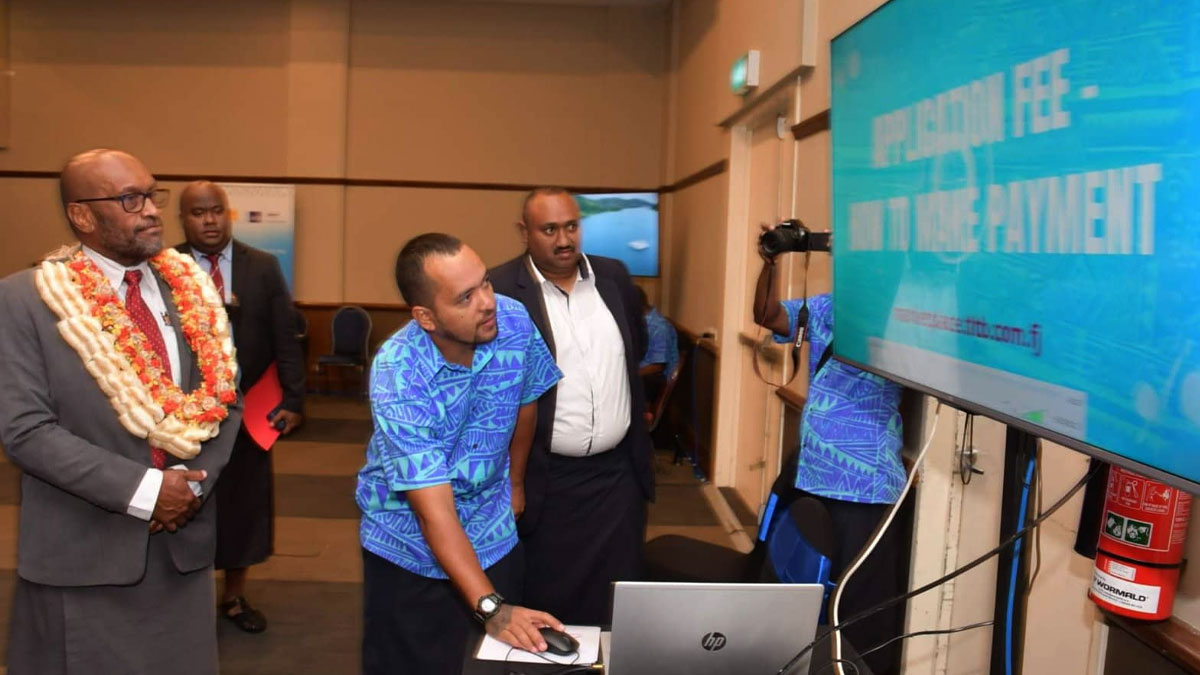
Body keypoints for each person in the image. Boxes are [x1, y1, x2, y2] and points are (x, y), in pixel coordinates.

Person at [0, 149, 242, 674]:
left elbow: (224, 396)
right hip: (85, 554)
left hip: (181, 552)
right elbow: (26, 431)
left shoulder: (191, 290)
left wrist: (190, 488)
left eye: (152, 194)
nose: (151, 210)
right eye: (130, 199)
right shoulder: (23, 300)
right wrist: (148, 492)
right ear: (82, 215)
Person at [357, 233, 566, 674]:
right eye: (465, 297)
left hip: (494, 531)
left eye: (485, 282)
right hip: (409, 548)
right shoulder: (398, 373)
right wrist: (492, 609)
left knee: (497, 663)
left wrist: (515, 483)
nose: (487, 302)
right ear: (426, 317)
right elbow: (433, 512)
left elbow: (526, 398)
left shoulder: (514, 320)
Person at [490, 187, 655, 626]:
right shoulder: (502, 289)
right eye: (549, 230)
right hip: (545, 479)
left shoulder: (613, 277)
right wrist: (511, 481)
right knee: (546, 598)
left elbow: (634, 350)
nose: (564, 240)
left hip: (617, 478)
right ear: (524, 232)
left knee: (616, 600)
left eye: (571, 227)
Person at [752, 222, 906, 675]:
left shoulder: (902, 317)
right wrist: (770, 260)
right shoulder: (824, 308)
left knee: (860, 606)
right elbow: (767, 315)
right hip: (814, 476)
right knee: (804, 591)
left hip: (866, 487)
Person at [176, 181, 306, 633]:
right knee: (183, 503)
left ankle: (234, 597)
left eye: (216, 211)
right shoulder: (164, 266)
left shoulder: (263, 266)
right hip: (182, 414)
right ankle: (182, 598)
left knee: (244, 505)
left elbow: (285, 336)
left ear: (227, 214)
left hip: (249, 409)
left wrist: (293, 399)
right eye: (198, 213)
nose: (209, 220)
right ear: (183, 219)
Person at [636, 285, 679, 408]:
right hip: (645, 374)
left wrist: (631, 374)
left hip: (657, 379)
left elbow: (658, 365)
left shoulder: (659, 327)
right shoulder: (641, 322)